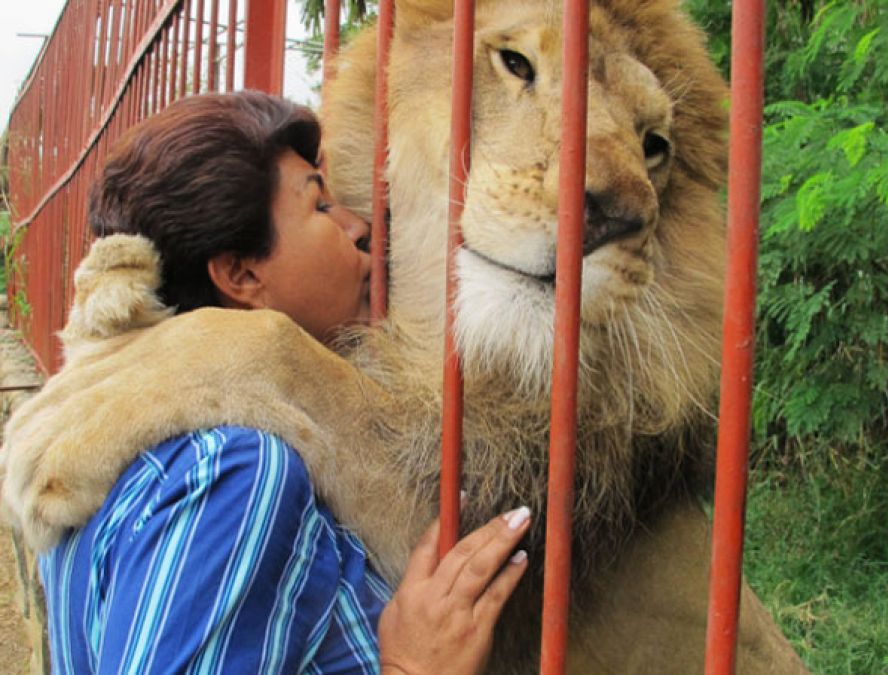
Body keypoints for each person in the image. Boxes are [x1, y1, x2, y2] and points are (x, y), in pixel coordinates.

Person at [34, 91, 529, 674]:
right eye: (320, 207)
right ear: (242, 275)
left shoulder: (109, 448)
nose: (360, 225)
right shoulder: (235, 471)